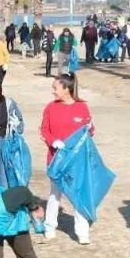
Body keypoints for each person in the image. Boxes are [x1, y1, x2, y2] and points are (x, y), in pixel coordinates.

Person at [39, 74, 95, 245]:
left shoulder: (82, 107)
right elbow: (44, 130)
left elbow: (89, 131)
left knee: (78, 195)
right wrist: (52, 141)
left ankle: (82, 232)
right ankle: (49, 226)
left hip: (76, 161)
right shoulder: (50, 108)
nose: (53, 91)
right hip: (56, 160)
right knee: (55, 195)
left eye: (55, 88)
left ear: (66, 89)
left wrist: (90, 128)